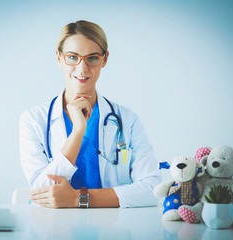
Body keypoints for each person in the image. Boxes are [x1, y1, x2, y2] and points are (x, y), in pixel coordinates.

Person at [19, 20, 161, 208]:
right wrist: (78, 132)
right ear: (59, 57)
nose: (82, 68)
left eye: (92, 58)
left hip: (113, 227)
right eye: (72, 57)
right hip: (55, 229)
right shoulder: (33, 120)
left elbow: (153, 188)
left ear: (105, 59)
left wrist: (78, 199)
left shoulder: (127, 120)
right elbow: (44, 191)